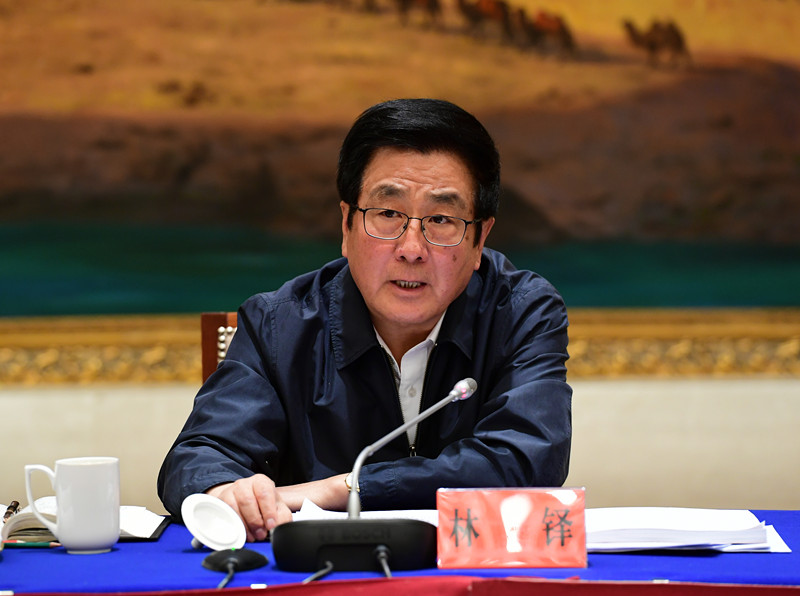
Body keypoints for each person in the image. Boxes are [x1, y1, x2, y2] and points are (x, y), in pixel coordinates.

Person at [157, 98, 572, 542]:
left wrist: (345, 488)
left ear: (479, 239)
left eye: (441, 219)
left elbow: (528, 460)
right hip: (318, 572)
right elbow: (197, 458)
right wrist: (228, 492)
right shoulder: (278, 325)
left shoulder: (520, 312)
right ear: (346, 226)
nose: (411, 249)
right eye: (388, 214)